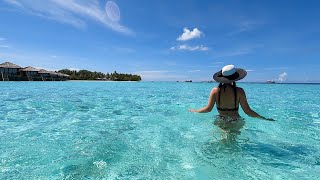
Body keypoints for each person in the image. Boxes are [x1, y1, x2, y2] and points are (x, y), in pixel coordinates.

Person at [189, 65, 274, 121]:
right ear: (235, 78)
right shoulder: (239, 91)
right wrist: (263, 118)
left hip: (221, 120)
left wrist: (196, 111)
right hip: (235, 120)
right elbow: (247, 111)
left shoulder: (215, 91)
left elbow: (208, 109)